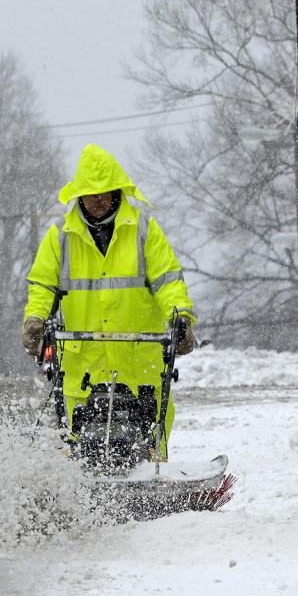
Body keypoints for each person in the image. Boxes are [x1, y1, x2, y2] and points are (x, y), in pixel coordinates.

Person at [21, 145, 196, 459]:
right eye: (90, 194)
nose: (97, 200)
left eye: (103, 193)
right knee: (76, 442)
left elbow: (168, 282)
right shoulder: (61, 236)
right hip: (83, 364)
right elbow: (43, 285)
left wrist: (180, 317)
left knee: (148, 438)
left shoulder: (143, 230)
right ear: (79, 196)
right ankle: (78, 498)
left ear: (117, 191)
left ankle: (153, 488)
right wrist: (35, 320)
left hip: (139, 362)